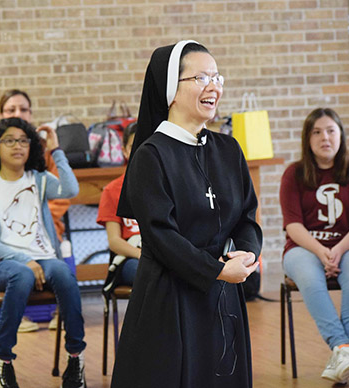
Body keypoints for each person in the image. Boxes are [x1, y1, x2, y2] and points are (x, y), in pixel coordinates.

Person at [111, 40, 262, 388]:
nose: (214, 86)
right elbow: (161, 235)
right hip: (169, 296)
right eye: (201, 77)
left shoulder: (228, 149)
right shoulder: (151, 155)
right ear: (171, 91)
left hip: (222, 291)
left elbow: (246, 217)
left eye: (217, 77)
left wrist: (248, 252)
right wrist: (218, 270)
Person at [0, 117, 85, 388]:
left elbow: (71, 189)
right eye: (9, 140)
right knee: (22, 275)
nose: (17, 146)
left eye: (23, 140)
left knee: (64, 273)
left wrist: (56, 150)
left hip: (45, 257)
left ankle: (75, 358)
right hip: (4, 263)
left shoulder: (39, 179)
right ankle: (2, 362)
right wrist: (27, 260)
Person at [279, 108, 349, 384]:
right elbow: (293, 226)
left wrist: (339, 250)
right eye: (317, 132)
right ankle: (344, 348)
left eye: (331, 130)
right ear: (307, 139)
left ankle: (343, 355)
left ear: (341, 135)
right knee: (309, 275)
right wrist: (321, 251)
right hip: (303, 248)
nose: (325, 137)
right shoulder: (293, 174)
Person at [0, 89, 70, 241]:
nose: (17, 114)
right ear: (1, 115)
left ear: (30, 114)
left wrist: (31, 219)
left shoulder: (45, 149)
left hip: (42, 229)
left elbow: (61, 198)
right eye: (11, 110)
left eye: (23, 110)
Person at [96, 122, 140, 293]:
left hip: (161, 255)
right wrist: (141, 256)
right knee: (147, 273)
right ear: (125, 151)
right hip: (131, 258)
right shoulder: (112, 190)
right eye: (134, 146)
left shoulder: (166, 186)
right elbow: (114, 242)